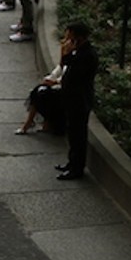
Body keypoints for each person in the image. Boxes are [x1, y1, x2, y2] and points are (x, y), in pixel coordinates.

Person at [56, 22, 98, 180]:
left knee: (78, 135)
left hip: (80, 101)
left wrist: (67, 53)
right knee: (72, 133)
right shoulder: (77, 52)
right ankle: (71, 162)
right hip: (71, 99)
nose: (67, 40)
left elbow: (74, 71)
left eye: (70, 37)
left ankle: (77, 168)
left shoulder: (87, 55)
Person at [17, 56, 67, 136]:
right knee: (38, 91)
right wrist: (50, 79)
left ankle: (30, 122)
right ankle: (33, 122)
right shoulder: (67, 57)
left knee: (41, 93)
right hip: (58, 86)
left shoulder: (77, 59)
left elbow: (69, 77)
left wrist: (55, 82)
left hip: (65, 90)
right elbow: (58, 70)